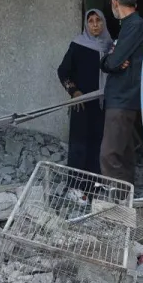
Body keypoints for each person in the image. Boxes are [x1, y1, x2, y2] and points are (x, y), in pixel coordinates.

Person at [98, 0, 143, 186]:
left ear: (115, 2)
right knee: (124, 154)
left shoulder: (134, 25)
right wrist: (111, 61)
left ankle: (116, 206)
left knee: (109, 155)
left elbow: (112, 62)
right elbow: (113, 61)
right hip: (124, 97)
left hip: (122, 98)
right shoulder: (130, 25)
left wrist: (109, 61)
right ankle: (126, 201)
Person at [57, 9, 111, 172]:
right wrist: (74, 92)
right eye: (91, 21)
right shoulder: (78, 45)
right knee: (79, 146)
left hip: (103, 104)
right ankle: (76, 186)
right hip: (82, 104)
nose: (95, 25)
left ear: (104, 23)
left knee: (100, 144)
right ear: (86, 24)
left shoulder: (110, 47)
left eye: (98, 20)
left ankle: (94, 185)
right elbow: (63, 71)